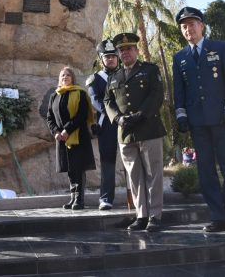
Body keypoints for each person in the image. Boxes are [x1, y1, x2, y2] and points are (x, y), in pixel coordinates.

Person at [172, 6, 225, 233]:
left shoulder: (220, 48)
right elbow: (179, 91)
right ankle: (217, 217)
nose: (188, 29)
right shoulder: (180, 57)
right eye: (184, 26)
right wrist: (182, 115)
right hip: (198, 122)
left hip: (223, 118)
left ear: (202, 25)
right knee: (205, 171)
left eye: (192, 24)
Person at [104, 33, 166, 232]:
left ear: (137, 51)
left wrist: (141, 114)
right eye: (121, 50)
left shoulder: (149, 70)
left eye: (129, 49)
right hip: (126, 133)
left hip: (148, 128)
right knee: (134, 176)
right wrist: (117, 118)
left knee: (153, 174)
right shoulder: (114, 77)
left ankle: (155, 216)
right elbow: (108, 101)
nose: (125, 53)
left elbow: (157, 94)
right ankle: (142, 215)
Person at [46, 67, 96, 210]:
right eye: (62, 75)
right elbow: (49, 117)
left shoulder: (79, 93)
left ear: (73, 78)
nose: (65, 77)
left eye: (68, 75)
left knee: (78, 167)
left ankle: (79, 199)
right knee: (70, 168)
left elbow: (82, 115)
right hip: (61, 138)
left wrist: (67, 130)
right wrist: (56, 132)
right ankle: (73, 197)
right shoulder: (54, 96)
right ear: (59, 79)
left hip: (78, 136)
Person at [86, 38, 120, 210]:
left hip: (129, 122)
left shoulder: (126, 74)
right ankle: (106, 198)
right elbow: (95, 101)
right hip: (107, 124)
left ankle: (141, 197)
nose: (111, 59)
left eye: (113, 56)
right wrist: (115, 114)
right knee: (108, 162)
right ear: (101, 59)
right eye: (107, 57)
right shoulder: (96, 78)